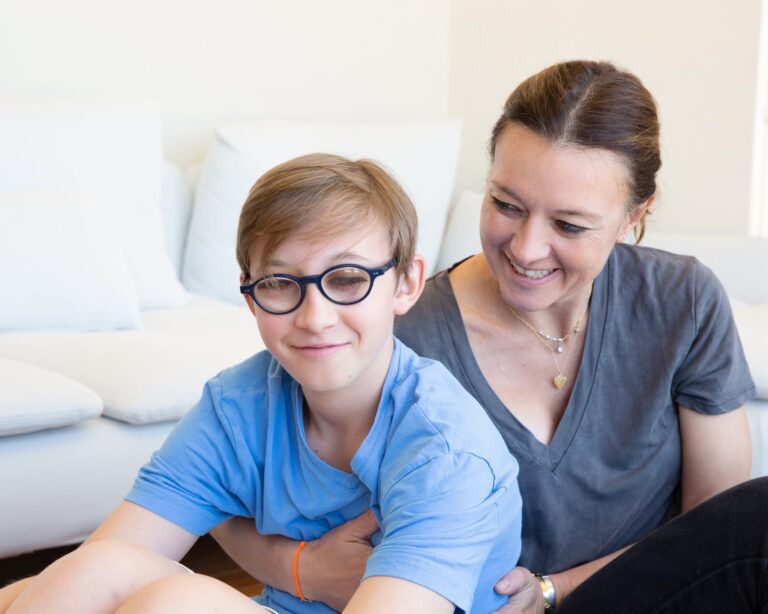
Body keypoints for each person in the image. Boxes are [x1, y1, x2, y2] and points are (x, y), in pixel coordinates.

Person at [205, 61, 763, 613]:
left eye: (569, 225)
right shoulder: (400, 328)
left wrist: (554, 589)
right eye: (506, 205)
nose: (525, 248)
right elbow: (220, 483)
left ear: (635, 215)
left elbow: (715, 528)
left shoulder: (683, 300)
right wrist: (302, 569)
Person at [0, 153, 523, 614]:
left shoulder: (447, 451)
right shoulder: (239, 405)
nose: (315, 318)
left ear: (406, 283)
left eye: (347, 279)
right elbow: (92, 571)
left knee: (177, 602)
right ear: (250, 297)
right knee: (93, 570)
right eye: (279, 283)